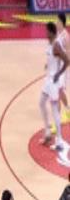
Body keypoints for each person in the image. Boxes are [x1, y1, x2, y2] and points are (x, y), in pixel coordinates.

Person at [40, 22, 69, 151]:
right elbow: (52, 59)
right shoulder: (50, 43)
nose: (45, 33)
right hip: (48, 79)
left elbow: (67, 60)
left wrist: (59, 73)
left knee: (55, 110)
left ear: (51, 32)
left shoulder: (56, 45)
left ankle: (59, 141)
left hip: (53, 81)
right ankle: (47, 133)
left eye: (47, 31)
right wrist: (48, 65)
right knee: (41, 103)